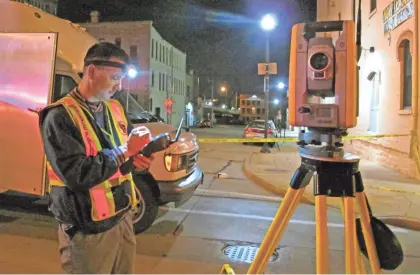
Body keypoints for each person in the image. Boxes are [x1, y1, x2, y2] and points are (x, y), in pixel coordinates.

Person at [39, 42, 153, 273]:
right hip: (87, 229)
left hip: (122, 218)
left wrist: (137, 162)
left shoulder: (115, 109)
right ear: (91, 71)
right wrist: (126, 152)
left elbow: (123, 158)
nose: (119, 86)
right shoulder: (59, 116)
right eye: (115, 77)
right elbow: (76, 174)